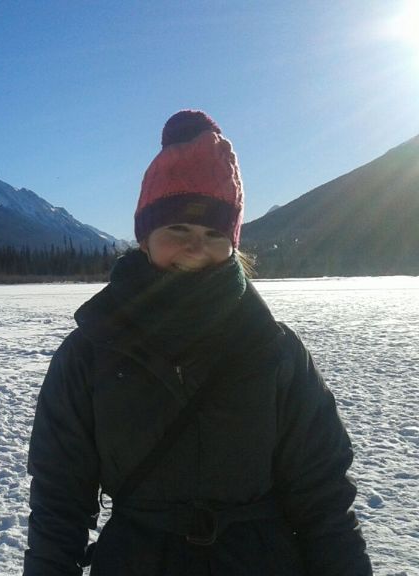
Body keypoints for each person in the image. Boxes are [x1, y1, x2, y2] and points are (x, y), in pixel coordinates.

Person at [23, 110, 372, 575]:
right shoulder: (90, 352)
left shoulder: (275, 351)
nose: (196, 248)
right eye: (178, 230)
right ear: (145, 237)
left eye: (213, 234)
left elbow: (324, 501)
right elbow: (59, 502)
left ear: (233, 245)